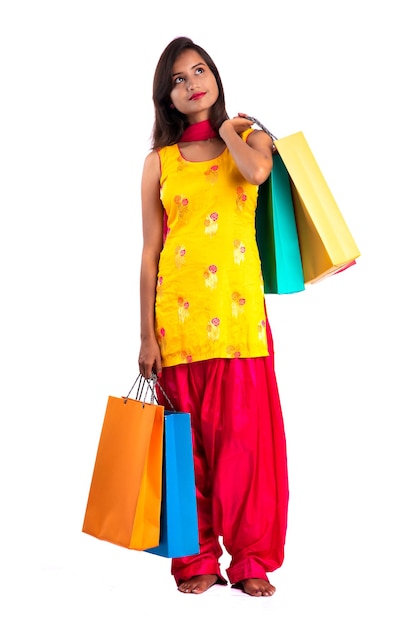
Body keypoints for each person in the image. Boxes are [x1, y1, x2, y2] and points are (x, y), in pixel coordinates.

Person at [138, 36, 289, 597]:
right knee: (187, 449)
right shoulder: (159, 164)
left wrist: (230, 128)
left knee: (245, 449)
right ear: (166, 97)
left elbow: (254, 175)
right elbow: (151, 254)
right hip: (176, 328)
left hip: (239, 323)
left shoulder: (247, 142)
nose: (192, 82)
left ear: (215, 76)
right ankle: (196, 558)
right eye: (178, 79)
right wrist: (145, 335)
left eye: (199, 70)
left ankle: (250, 561)